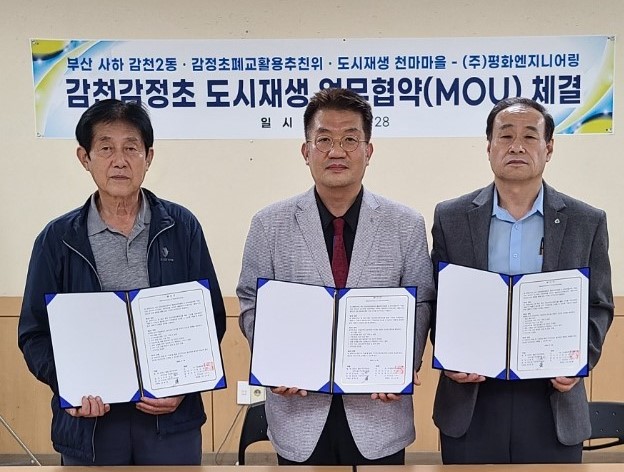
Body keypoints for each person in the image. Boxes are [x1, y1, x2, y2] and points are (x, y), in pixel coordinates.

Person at [18, 99, 226, 465]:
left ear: (149, 157)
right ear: (84, 157)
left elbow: (211, 317)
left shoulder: (182, 227)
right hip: (91, 423)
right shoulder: (57, 239)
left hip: (170, 419)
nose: (119, 160)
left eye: (131, 148)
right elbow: (34, 333)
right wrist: (68, 385)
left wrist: (184, 386)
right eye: (106, 148)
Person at [237, 87, 435, 465]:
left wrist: (402, 365)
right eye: (324, 139)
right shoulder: (269, 224)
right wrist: (273, 361)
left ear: (368, 151)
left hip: (379, 413)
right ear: (306, 151)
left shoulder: (405, 224)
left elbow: (422, 301)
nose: (336, 151)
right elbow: (250, 299)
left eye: (350, 139)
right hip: (298, 413)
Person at [430, 97, 614, 464]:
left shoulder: (586, 221)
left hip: (552, 400)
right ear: (489, 147)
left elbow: (599, 304)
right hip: (473, 399)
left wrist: (579, 360)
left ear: (549, 148)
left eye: (530, 136)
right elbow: (438, 299)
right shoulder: (451, 217)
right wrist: (449, 357)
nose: (516, 146)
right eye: (505, 135)